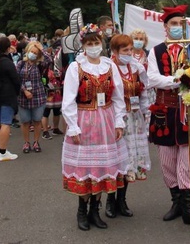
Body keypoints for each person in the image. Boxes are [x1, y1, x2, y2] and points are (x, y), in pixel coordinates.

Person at [61, 24, 128, 231]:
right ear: (83, 46)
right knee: (85, 168)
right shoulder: (76, 68)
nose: (93, 46)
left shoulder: (110, 66)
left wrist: (119, 121)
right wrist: (73, 127)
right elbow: (68, 100)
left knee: (102, 167)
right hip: (84, 120)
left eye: (96, 43)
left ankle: (94, 211)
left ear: (102, 43)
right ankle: (82, 211)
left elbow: (118, 97)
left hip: (106, 120)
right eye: (89, 43)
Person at [146, 5, 190, 229]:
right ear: (165, 27)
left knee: (189, 160)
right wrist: (177, 79)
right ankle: (176, 202)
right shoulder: (156, 51)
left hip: (188, 111)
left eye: (181, 24)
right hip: (164, 111)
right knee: (167, 161)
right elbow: (152, 78)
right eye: (173, 24)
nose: (177, 27)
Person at [106, 34, 150, 219]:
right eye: (125, 50)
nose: (129, 53)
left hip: (134, 118)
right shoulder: (108, 67)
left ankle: (122, 200)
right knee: (115, 159)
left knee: (130, 159)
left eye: (131, 49)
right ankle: (110, 200)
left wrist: (146, 113)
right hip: (115, 119)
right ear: (115, 51)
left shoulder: (136, 68)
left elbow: (144, 91)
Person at [0, 36, 21, 162]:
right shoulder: (7, 62)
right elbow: (16, 80)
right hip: (7, 95)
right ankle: (3, 151)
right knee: (5, 123)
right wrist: (17, 92)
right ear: (8, 48)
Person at [17, 41, 51, 154]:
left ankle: (36, 141)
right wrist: (24, 90)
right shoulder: (21, 63)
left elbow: (49, 60)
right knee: (25, 121)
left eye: (36, 53)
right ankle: (26, 142)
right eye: (32, 51)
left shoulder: (40, 65)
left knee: (37, 121)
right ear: (27, 52)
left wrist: (42, 49)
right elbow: (16, 79)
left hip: (38, 96)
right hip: (23, 97)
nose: (33, 54)